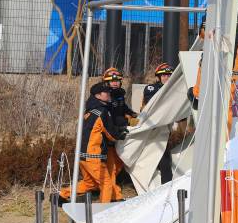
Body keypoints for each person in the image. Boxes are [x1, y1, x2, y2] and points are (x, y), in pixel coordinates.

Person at [60, 82, 127, 203]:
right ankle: (104, 213)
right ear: (98, 95)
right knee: (106, 184)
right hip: (94, 156)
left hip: (82, 156)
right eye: (106, 92)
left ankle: (62, 195)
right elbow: (110, 134)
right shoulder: (103, 112)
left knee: (89, 184)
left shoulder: (89, 111)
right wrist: (121, 134)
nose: (109, 94)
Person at [102, 67, 137, 201]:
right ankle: (113, 196)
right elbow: (110, 118)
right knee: (111, 166)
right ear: (106, 83)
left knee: (118, 164)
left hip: (119, 134)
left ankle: (112, 190)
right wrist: (127, 121)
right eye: (112, 81)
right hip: (109, 136)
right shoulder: (106, 96)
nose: (115, 83)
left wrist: (133, 114)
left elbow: (123, 108)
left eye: (117, 80)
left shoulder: (120, 94)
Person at [142, 62, 175, 184]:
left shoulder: (174, 89)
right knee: (151, 156)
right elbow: (152, 105)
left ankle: (166, 184)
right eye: (164, 75)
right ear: (159, 77)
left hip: (164, 129)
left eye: (169, 75)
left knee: (164, 157)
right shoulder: (151, 88)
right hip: (150, 128)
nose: (167, 77)